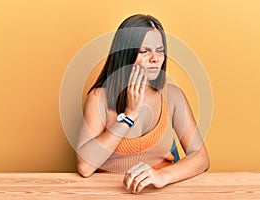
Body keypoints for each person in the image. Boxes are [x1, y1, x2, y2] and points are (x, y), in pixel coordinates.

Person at [76, 14, 209, 194]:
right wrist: (128, 117)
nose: (155, 58)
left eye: (160, 50)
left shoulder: (173, 96)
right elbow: (85, 167)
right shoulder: (99, 97)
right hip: (112, 193)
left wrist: (162, 176)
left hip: (162, 192)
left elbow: (201, 158)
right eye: (144, 51)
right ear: (126, 55)